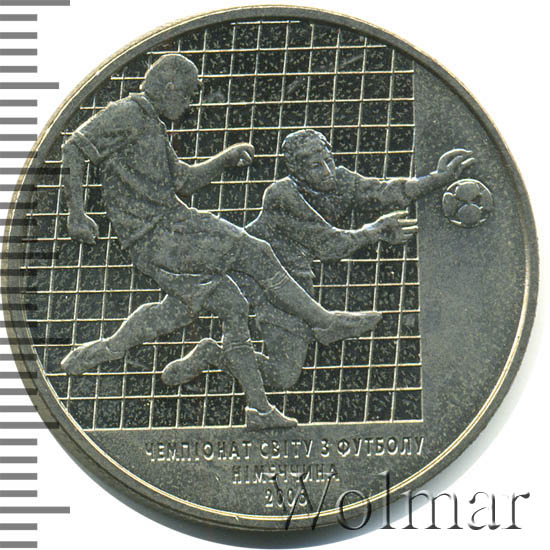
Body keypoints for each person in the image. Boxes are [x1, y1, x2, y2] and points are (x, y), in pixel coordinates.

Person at [60, 55, 387, 430]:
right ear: (170, 88)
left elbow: (183, 181)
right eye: (187, 96)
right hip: (162, 232)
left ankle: (256, 409)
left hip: (162, 234)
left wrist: (224, 159)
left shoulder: (152, 123)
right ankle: (325, 322)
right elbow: (73, 148)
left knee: (226, 305)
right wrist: (76, 214)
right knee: (256, 251)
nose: (189, 106)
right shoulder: (127, 113)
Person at [163, 129, 473, 390]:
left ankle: (212, 355)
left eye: (328, 160)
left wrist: (437, 178)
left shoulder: (341, 180)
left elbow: (387, 192)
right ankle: (327, 323)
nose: (326, 171)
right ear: (297, 171)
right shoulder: (281, 195)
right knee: (180, 311)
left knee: (282, 376)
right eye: (315, 166)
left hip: (294, 276)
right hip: (251, 273)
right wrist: (376, 231)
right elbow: (328, 245)